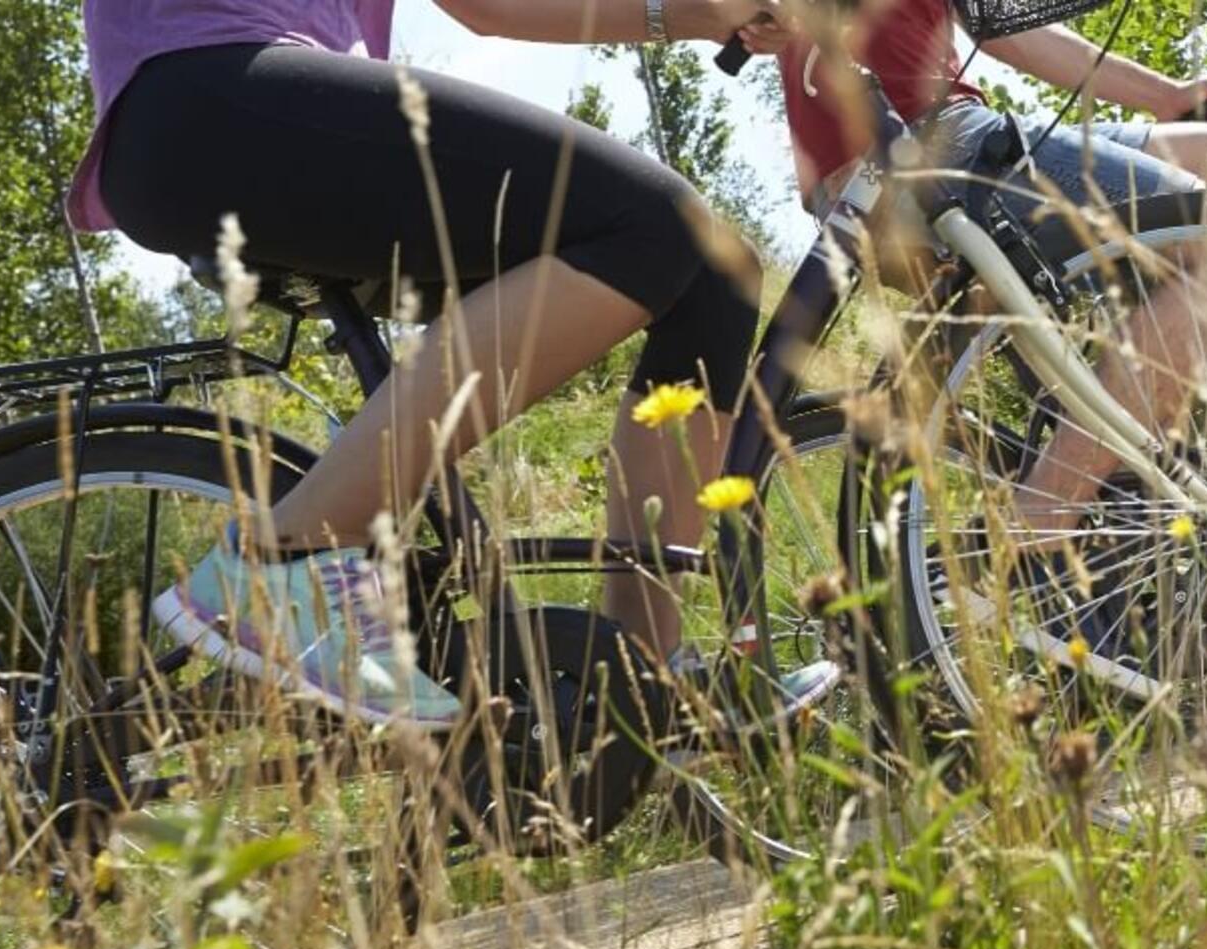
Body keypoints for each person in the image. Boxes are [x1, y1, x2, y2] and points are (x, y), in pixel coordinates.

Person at [74, 0, 833, 730]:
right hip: (205, 101)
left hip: (256, 117)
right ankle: (285, 560)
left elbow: (490, 11)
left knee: (715, 273)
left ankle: (640, 679)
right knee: (653, 224)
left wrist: (699, 15)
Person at [735, 0, 1207, 657]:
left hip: (934, 140)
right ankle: (1045, 518)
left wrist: (1165, 96)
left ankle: (1126, 514)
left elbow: (1006, 28)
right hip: (921, 148)